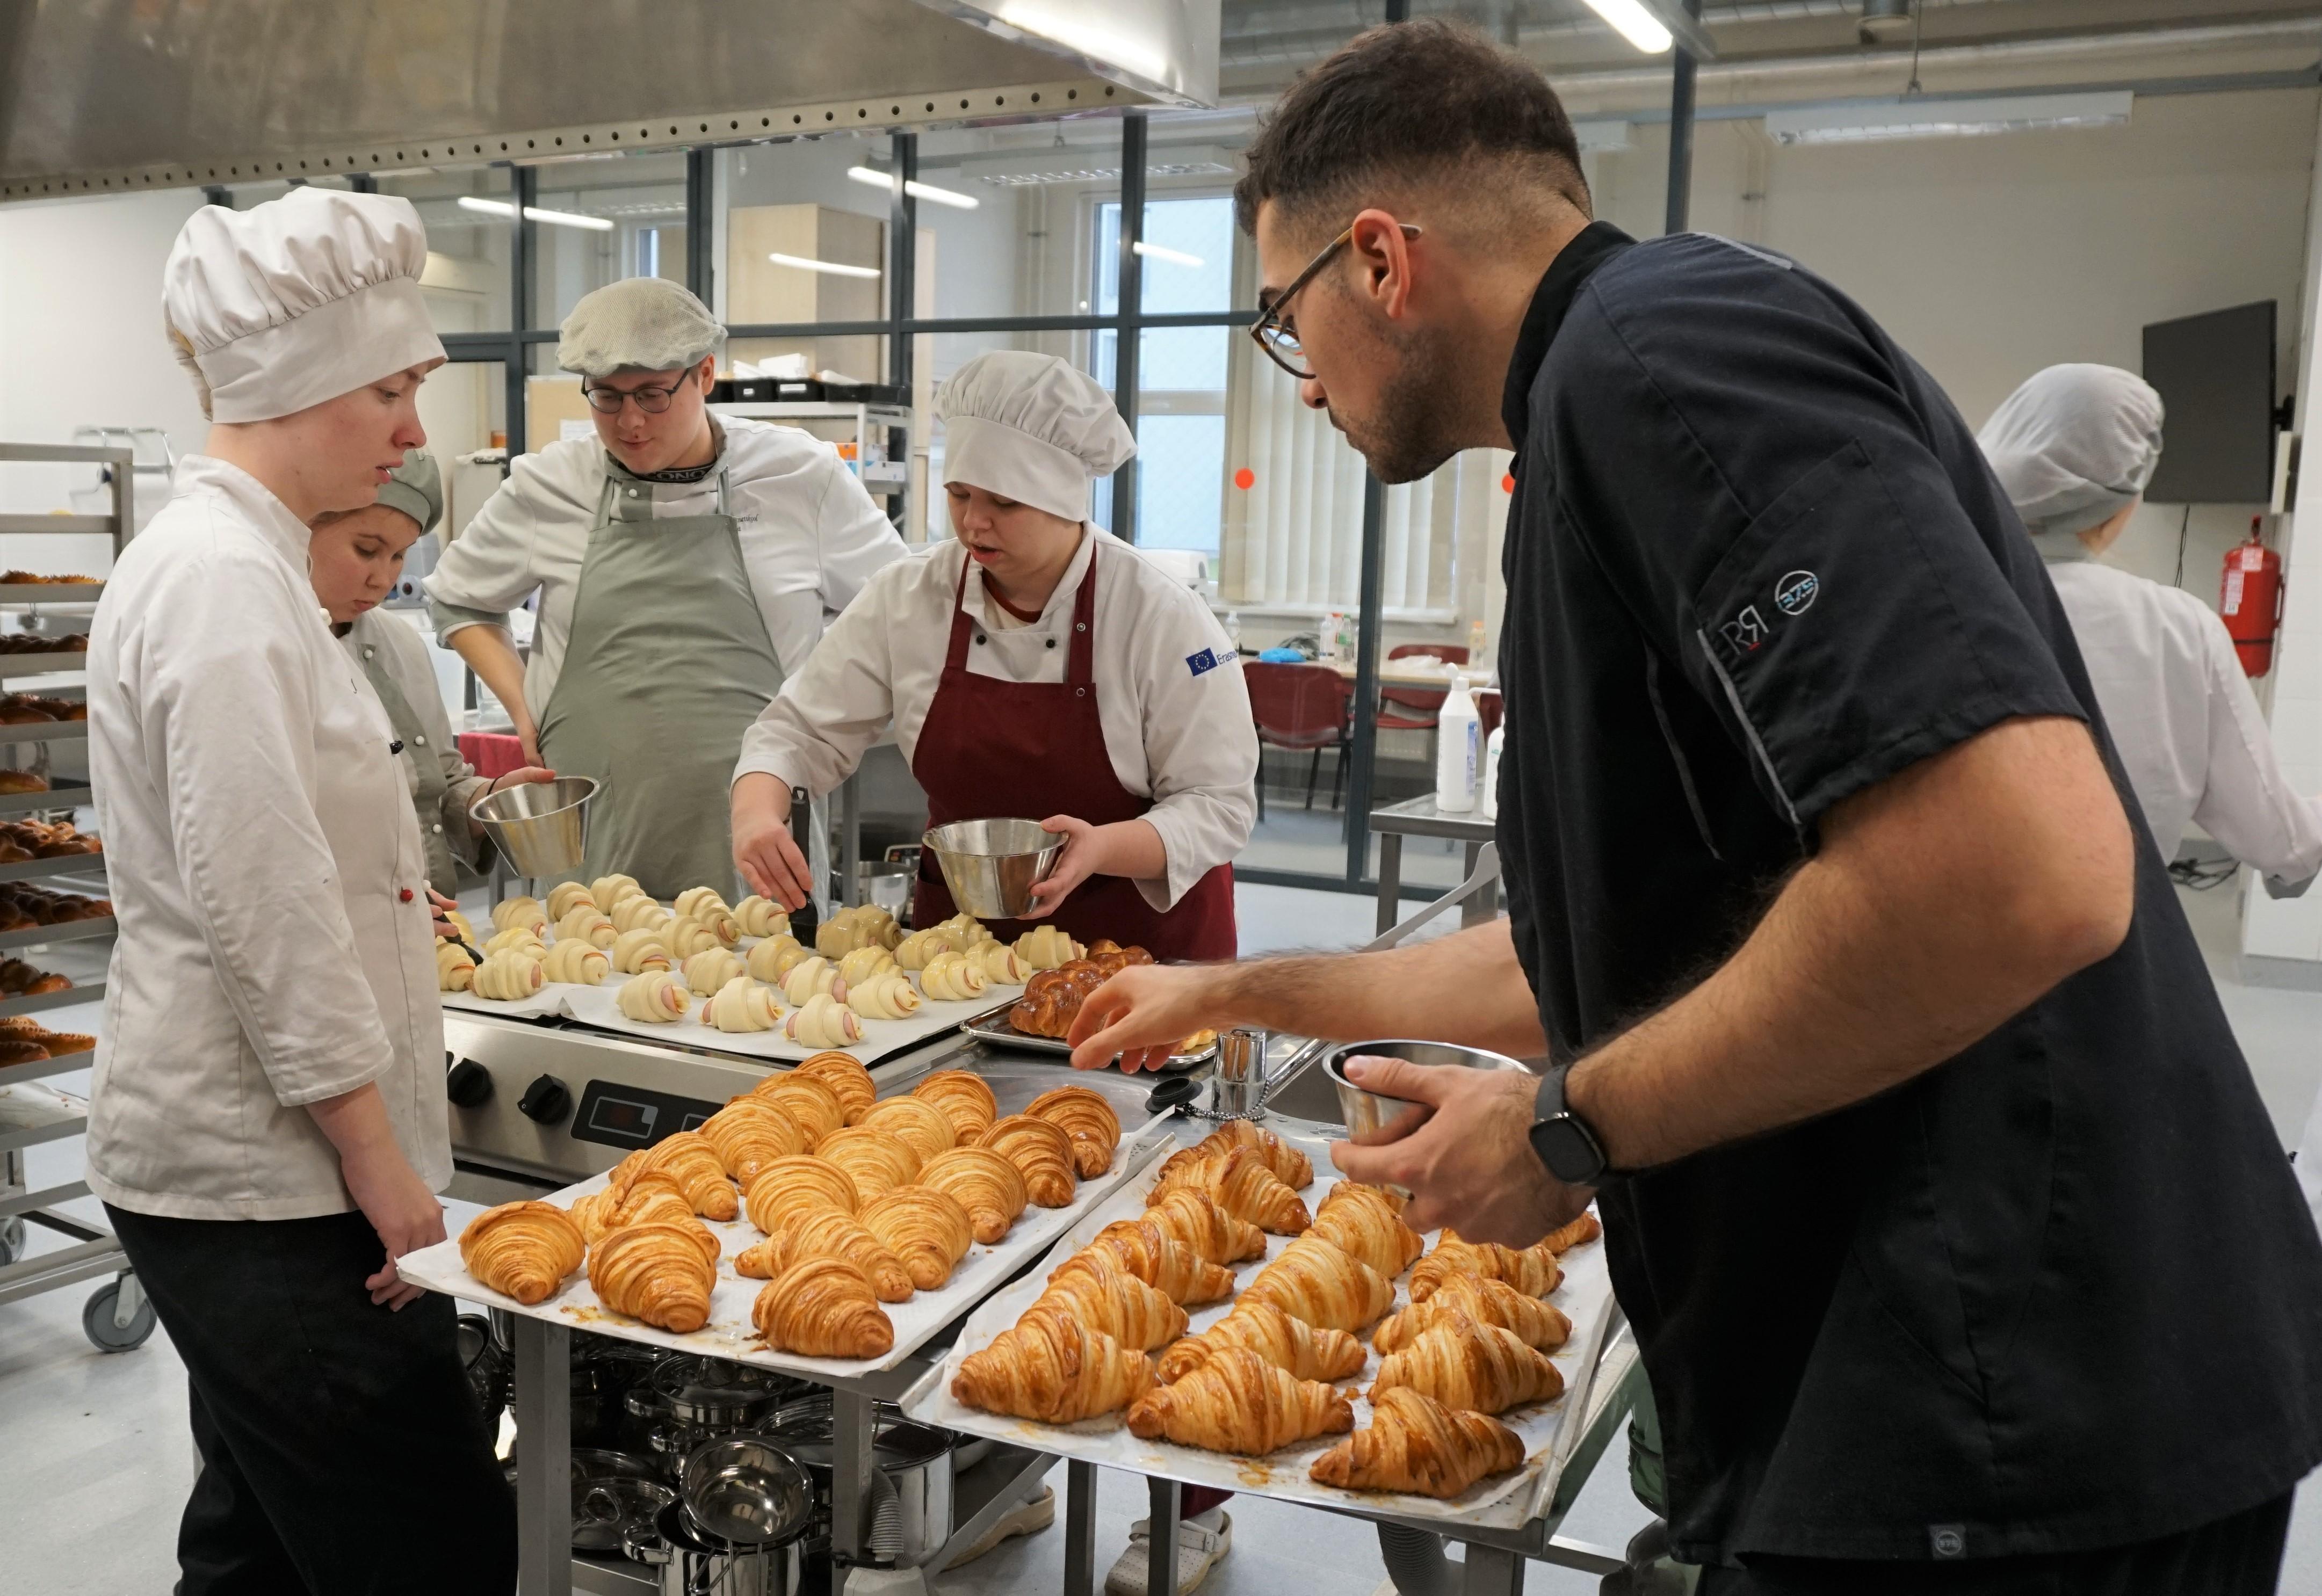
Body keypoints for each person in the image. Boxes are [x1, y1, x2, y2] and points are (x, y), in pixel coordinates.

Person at [1069, 21, 2322, 1595]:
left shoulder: (1659, 361)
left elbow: (2024, 871)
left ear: (1379, 261)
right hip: (1927, 1396)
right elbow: (1616, 961)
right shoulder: (1598, 420)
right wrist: (1238, 992)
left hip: (2010, 1403)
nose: (1298, 376)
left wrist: (1572, 1127)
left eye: (1281, 316)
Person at [87, 187, 513, 1592]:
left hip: (265, 1162)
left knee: (259, 1544)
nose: (411, 432)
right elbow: (262, 902)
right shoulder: (221, 584)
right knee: (431, 1545)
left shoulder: (253, 569)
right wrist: (383, 1165)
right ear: (295, 381)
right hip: (260, 1177)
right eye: (392, 391)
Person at [732, 351, 1256, 961]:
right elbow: (798, 730)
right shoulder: (910, 596)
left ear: (1065, 502)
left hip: (1140, 952)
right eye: (958, 494)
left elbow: (1219, 804)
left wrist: (1103, 847)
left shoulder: (1159, 613)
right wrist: (757, 814)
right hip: (964, 954)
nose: (974, 522)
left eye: (1004, 504)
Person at [423, 275, 906, 898]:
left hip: (753, 827)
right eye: (606, 397)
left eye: (653, 395)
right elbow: (457, 598)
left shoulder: (801, 477)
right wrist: (524, 708)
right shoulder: (549, 485)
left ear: (705, 374)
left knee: (758, 957)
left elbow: (894, 614)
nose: (629, 421)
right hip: (592, 828)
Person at [1979, 363, 2322, 894]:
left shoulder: (1920, 600)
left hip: (1929, 931)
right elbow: (2280, 838)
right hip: (2108, 926)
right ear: (2123, 502)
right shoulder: (2178, 628)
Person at [309, 446, 557, 893]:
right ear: (303, 530)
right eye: (366, 550)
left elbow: (435, 794)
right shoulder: (276, 649)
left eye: (399, 556)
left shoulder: (399, 643)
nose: (382, 579)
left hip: (431, 918)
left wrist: (491, 801)